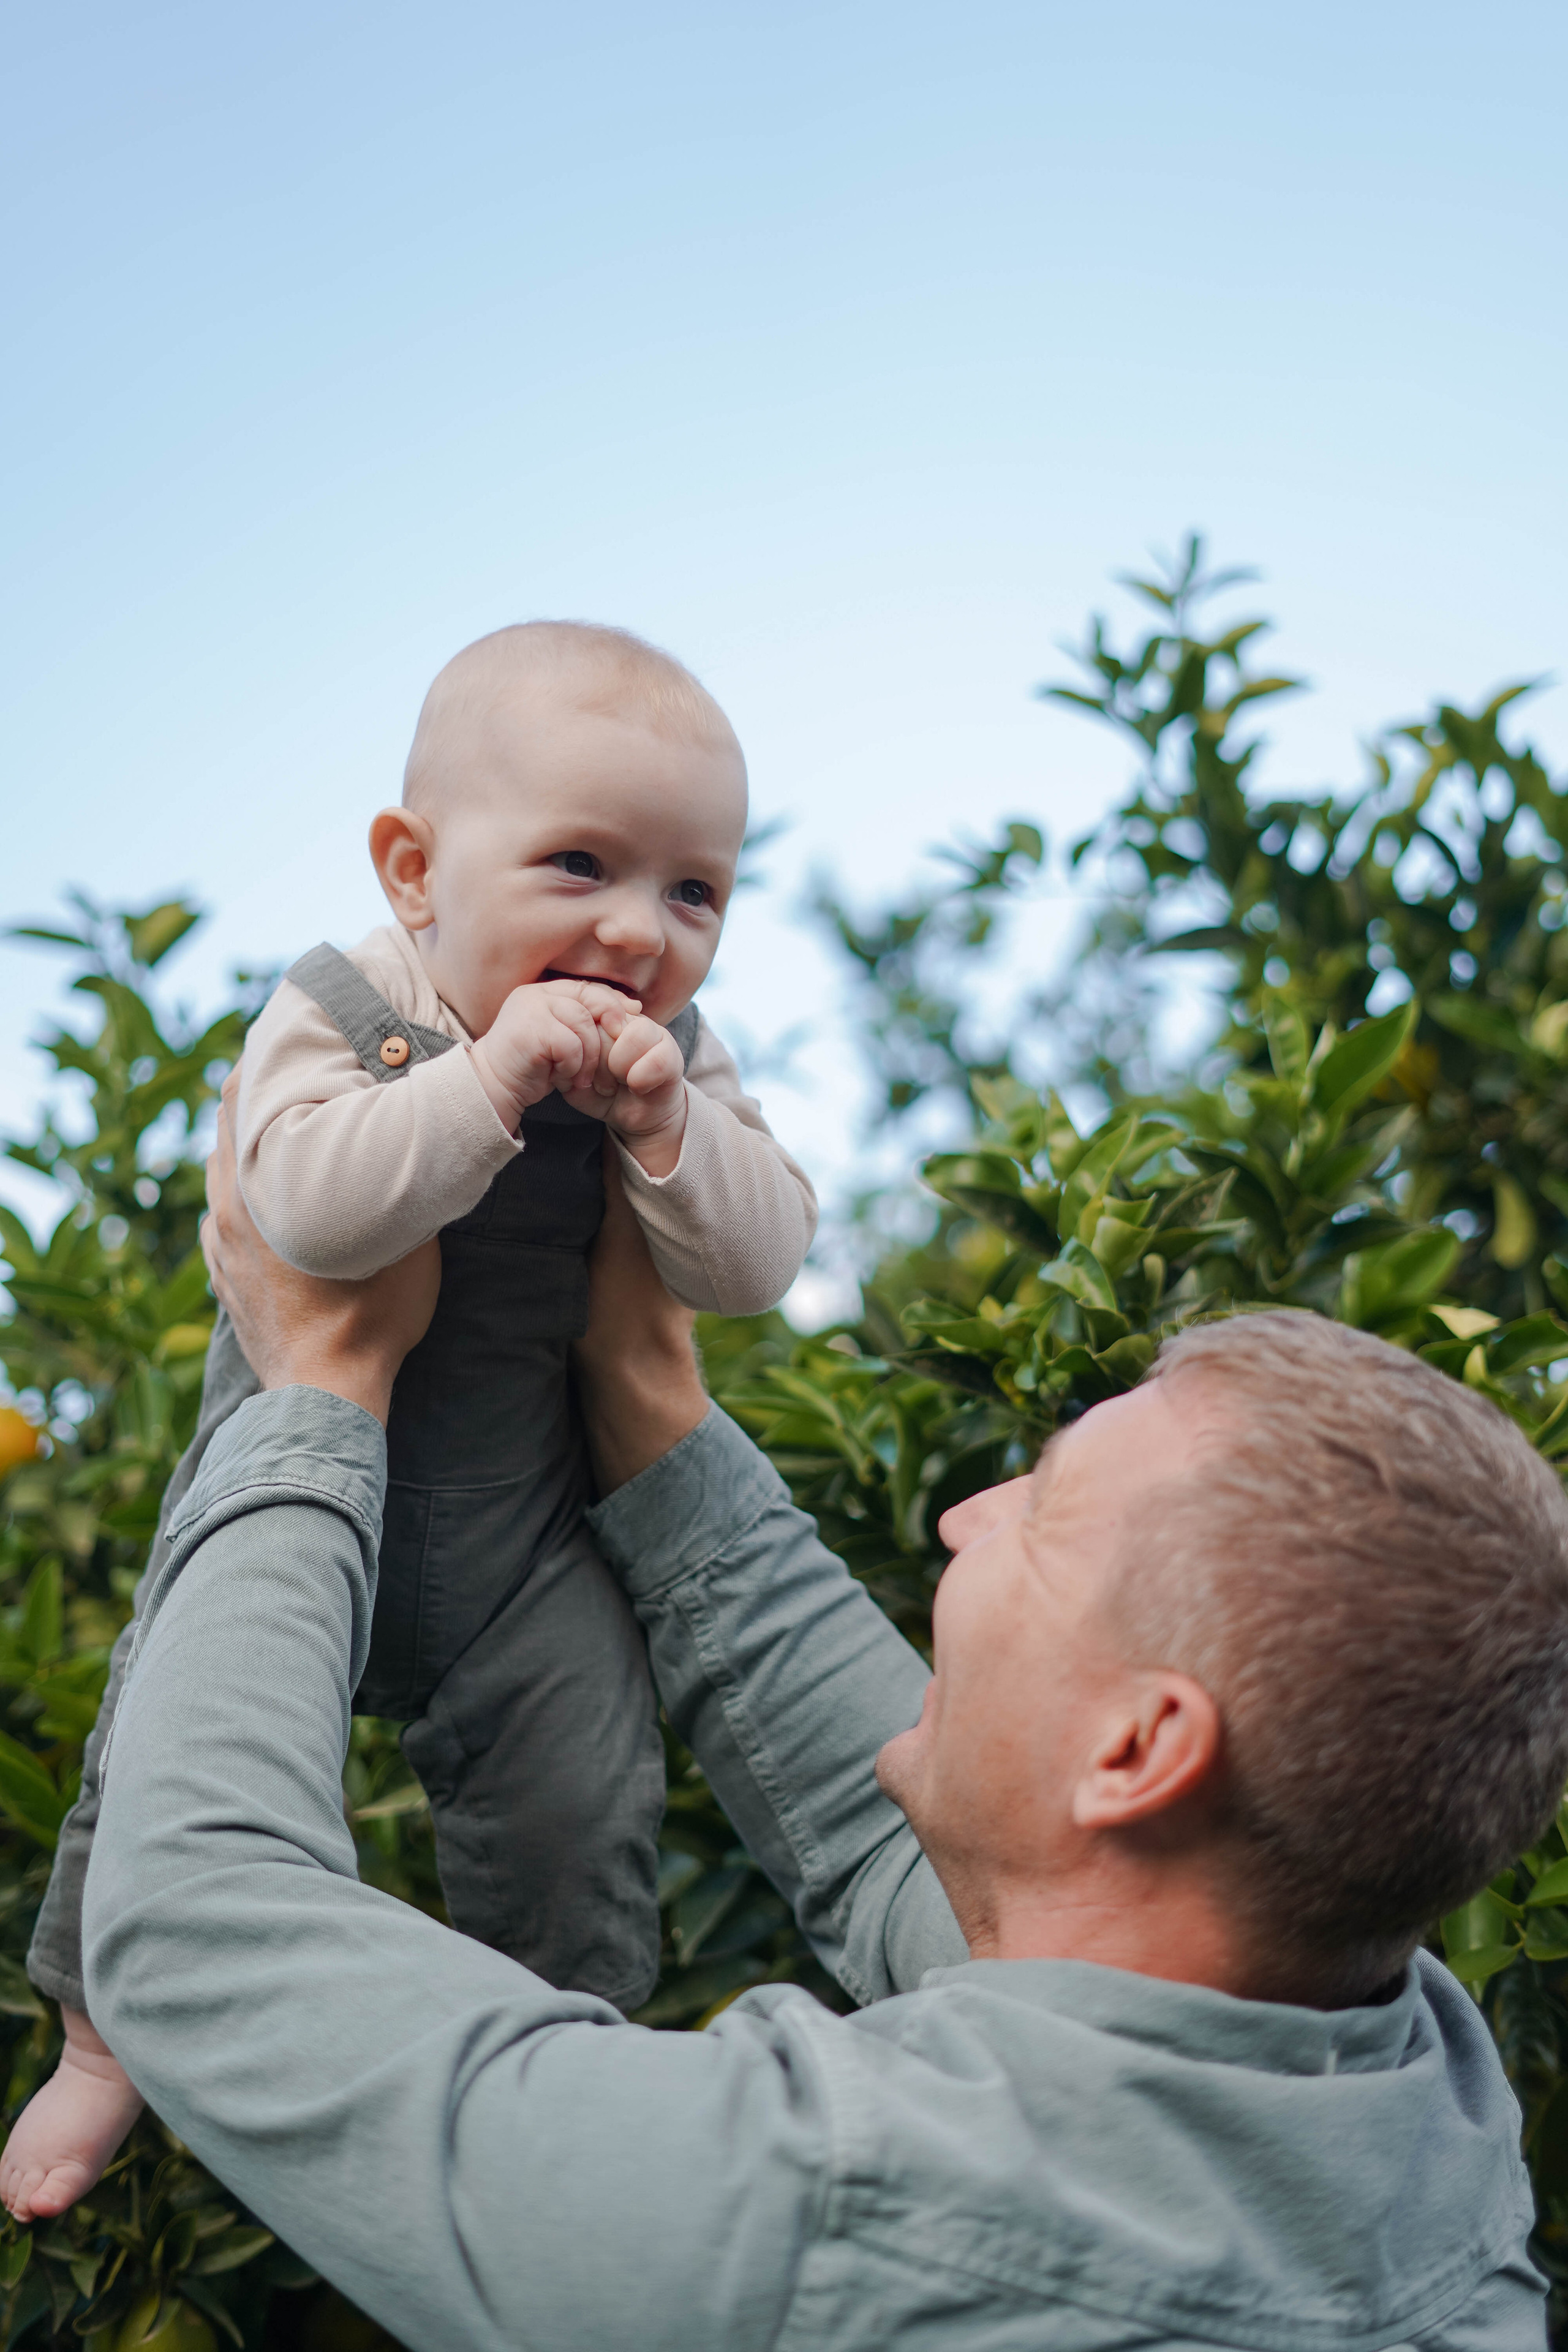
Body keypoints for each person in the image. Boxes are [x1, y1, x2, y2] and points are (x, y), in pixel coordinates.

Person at [15, 1105, 1566, 2348]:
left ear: (1136, 1752)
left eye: (1042, 1514)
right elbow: (982, 1882)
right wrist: (645, 1390)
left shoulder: (828, 2216)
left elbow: (196, 1921)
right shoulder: (1410, 2089)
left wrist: (316, 1384)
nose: (964, 1518)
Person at [8, 622, 815, 2222]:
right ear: (414, 871)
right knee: (166, 1743)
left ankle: (551, 2066)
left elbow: (759, 1261)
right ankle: (104, 2033)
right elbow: (302, 1212)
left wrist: (666, 1130)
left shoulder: (684, 1063)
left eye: (694, 891)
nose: (639, 932)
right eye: (581, 865)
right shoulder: (342, 1005)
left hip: (526, 1537)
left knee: (585, 1797)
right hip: (318, 1491)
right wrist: (488, 1085)